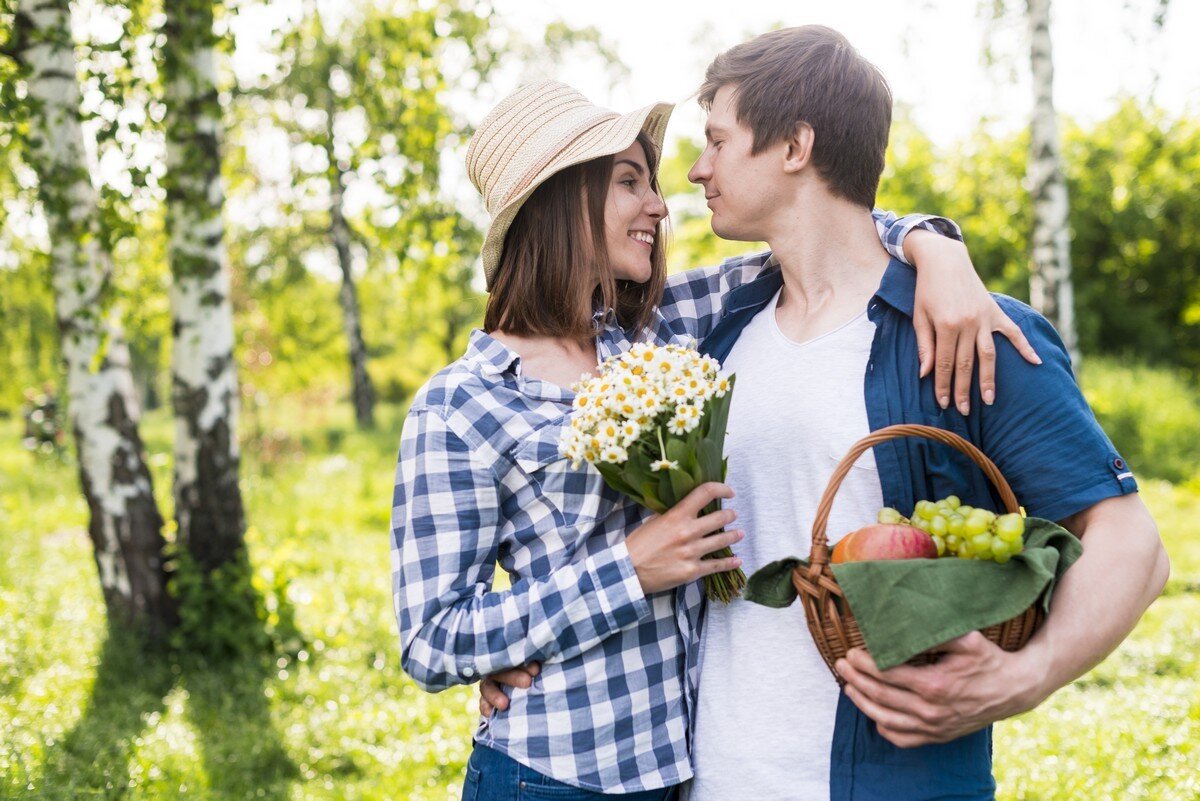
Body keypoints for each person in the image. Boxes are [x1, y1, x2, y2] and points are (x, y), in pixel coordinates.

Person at [392, 81, 1036, 801]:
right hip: (553, 776)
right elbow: (431, 639)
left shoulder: (665, 329)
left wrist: (935, 245)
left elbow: (829, 230)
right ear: (559, 199)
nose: (660, 206)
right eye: (629, 182)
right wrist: (630, 568)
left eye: (655, 182)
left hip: (688, 773)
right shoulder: (462, 404)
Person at [630, 25, 1163, 801]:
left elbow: (1134, 545)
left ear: (794, 146)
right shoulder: (716, 330)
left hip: (892, 780)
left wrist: (1025, 677)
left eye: (717, 140)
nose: (695, 169)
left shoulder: (966, 332)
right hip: (710, 778)